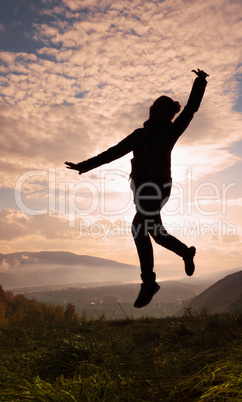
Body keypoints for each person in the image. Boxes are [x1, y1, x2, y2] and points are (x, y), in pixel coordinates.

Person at [65, 68, 208, 308]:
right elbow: (113, 152)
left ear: (168, 113)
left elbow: (191, 109)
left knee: (138, 227)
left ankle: (149, 283)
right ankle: (185, 252)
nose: (153, 109)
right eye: (153, 105)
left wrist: (200, 81)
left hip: (158, 187)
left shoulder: (171, 132)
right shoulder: (138, 134)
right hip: (140, 190)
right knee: (155, 232)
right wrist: (84, 166)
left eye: (159, 107)